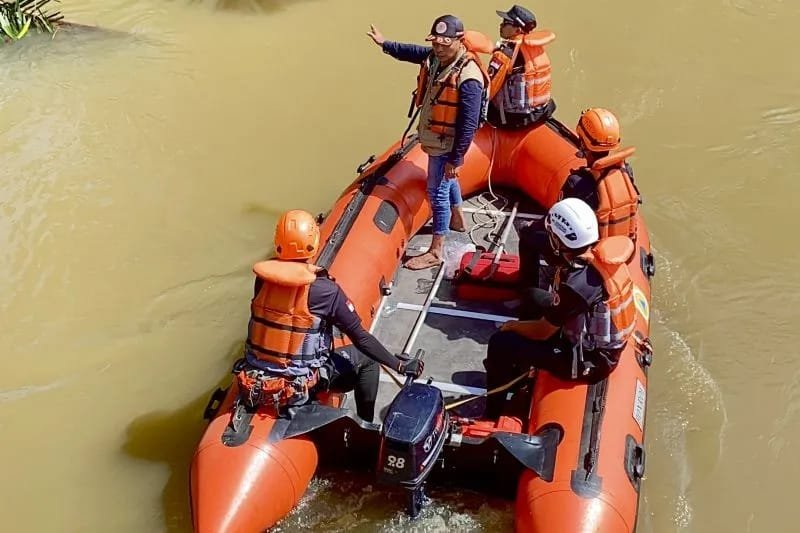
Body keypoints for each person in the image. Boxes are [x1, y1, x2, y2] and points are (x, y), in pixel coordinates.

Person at [235, 209, 423, 423]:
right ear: (315, 241)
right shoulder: (325, 291)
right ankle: (365, 423)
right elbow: (361, 338)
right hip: (299, 384)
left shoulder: (263, 280)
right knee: (368, 360)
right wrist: (398, 365)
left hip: (257, 375)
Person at [483, 198, 636, 419]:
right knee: (532, 296)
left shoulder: (577, 285)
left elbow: (544, 330)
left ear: (559, 239)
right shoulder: (596, 259)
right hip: (589, 335)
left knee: (501, 342)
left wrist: (511, 327)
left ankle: (492, 411)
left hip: (587, 360)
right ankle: (521, 369)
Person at [367, 15, 488, 270]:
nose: (439, 47)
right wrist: (385, 43)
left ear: (458, 41)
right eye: (436, 43)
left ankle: (436, 250)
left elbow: (468, 125)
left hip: (448, 145)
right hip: (436, 139)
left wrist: (456, 159)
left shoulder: (469, 78)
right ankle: (458, 219)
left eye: (445, 43)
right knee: (447, 183)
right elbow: (412, 52)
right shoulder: (436, 57)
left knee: (437, 192)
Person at [560, 107, 640, 241]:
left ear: (583, 143)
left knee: (529, 235)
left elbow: (561, 217)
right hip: (624, 244)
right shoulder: (626, 170)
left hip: (591, 249)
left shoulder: (577, 182)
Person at [485, 5, 556, 129]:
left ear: (518, 30)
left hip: (513, 119)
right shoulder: (537, 48)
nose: (501, 25)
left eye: (506, 23)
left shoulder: (504, 54)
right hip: (540, 112)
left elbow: (488, 91)